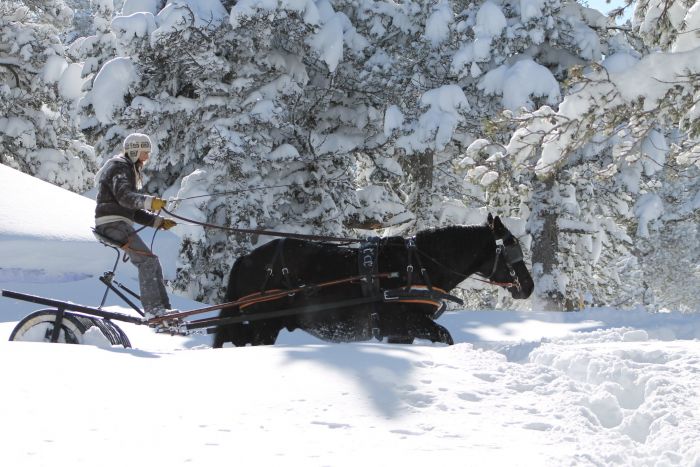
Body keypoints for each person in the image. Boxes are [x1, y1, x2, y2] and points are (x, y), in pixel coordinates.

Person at [94, 133, 177, 320]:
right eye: (144, 152)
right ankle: (154, 311)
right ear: (134, 150)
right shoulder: (119, 167)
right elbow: (125, 197)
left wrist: (159, 222)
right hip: (112, 223)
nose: (147, 157)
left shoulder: (127, 168)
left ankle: (165, 310)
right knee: (147, 261)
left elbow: (131, 209)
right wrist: (150, 202)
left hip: (118, 222)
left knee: (152, 261)